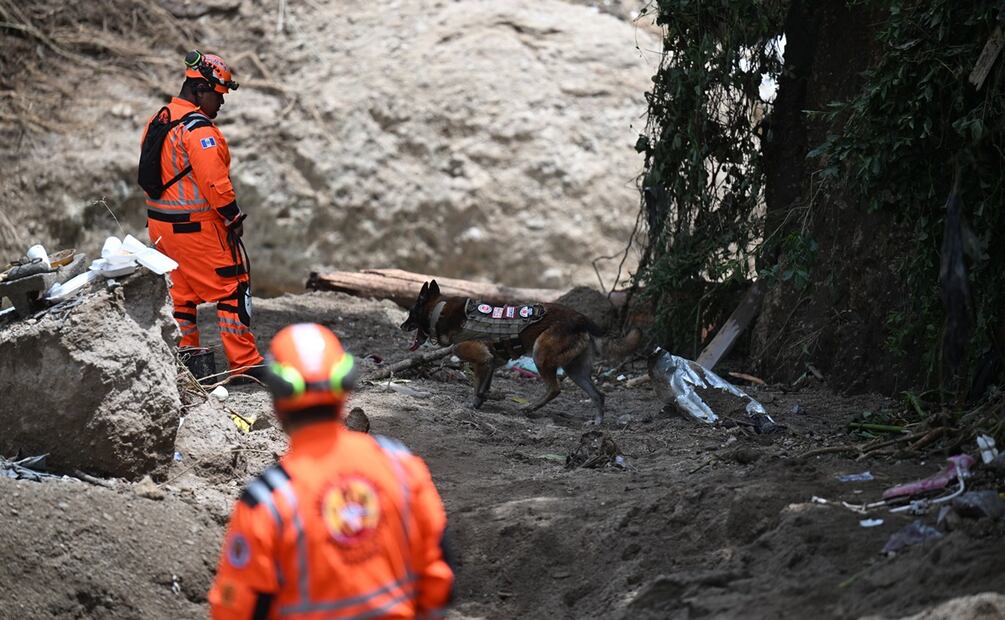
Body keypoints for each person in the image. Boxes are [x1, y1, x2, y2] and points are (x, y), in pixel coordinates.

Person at [209, 323, 455, 619]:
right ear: (344, 391)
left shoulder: (267, 501)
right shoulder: (401, 466)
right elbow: (439, 578)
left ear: (276, 400)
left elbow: (235, 610)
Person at [139, 50, 264, 379]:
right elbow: (214, 183)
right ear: (199, 90)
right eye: (218, 96)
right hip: (198, 231)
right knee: (233, 288)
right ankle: (245, 364)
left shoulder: (159, 121)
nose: (220, 104)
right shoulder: (199, 131)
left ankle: (186, 366)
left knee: (181, 298)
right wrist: (233, 217)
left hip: (161, 231)